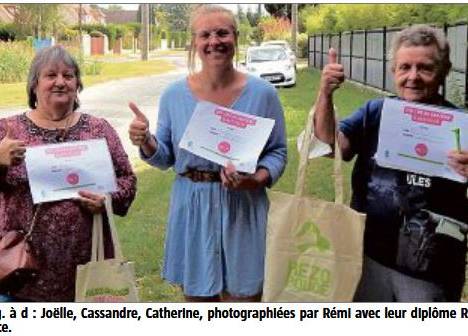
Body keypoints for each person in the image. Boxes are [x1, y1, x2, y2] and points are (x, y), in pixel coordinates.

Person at [128, 4, 287, 302]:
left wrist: (255, 179)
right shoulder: (174, 95)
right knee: (198, 301)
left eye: (222, 33)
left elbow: (277, 153)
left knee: (246, 300)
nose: (214, 41)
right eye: (205, 35)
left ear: (236, 38)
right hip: (193, 206)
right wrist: (146, 141)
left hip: (245, 207)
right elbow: (164, 158)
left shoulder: (264, 94)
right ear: (195, 42)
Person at [314, 24, 468, 301]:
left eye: (425, 68)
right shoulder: (375, 112)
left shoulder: (461, 127)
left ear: (444, 70)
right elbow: (329, 147)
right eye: (404, 67)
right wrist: (325, 93)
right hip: (368, 256)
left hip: (432, 269)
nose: (413, 77)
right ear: (393, 71)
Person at [0, 45, 137, 301]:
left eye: (68, 75)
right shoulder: (7, 130)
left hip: (90, 272)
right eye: (50, 75)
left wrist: (106, 198)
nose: (60, 82)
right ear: (34, 85)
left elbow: (127, 180)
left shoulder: (99, 129)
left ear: (77, 84)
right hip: (22, 273)